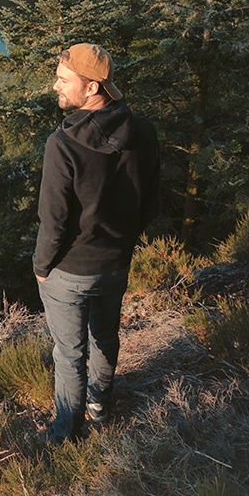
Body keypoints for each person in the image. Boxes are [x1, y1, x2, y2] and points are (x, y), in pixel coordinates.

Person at [36, 43, 160, 442]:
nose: (55, 85)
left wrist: (41, 267)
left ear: (91, 89)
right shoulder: (143, 132)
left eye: (64, 80)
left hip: (70, 270)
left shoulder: (63, 144)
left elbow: (53, 221)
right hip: (116, 262)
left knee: (69, 354)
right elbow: (150, 200)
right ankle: (99, 406)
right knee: (105, 336)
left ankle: (65, 434)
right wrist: (125, 241)